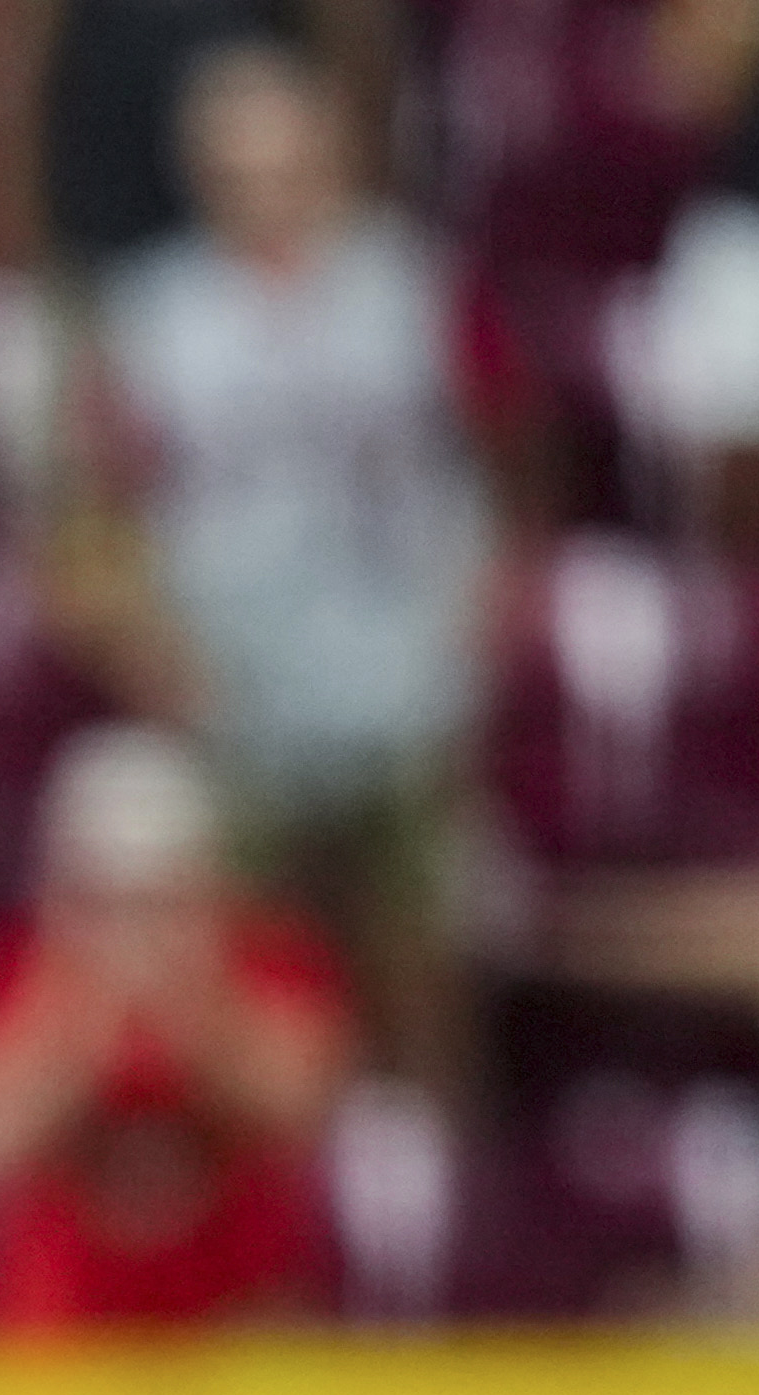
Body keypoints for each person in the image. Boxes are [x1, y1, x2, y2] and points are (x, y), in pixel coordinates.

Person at [79, 34, 487, 1104]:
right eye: (239, 177)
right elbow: (96, 513)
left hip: (403, 665)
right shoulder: (154, 314)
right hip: (232, 675)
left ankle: (437, 1189)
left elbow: (505, 464)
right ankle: (295, 1214)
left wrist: (482, 613)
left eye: (287, 171)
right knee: (259, 966)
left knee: (427, 946)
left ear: (335, 161)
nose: (267, 199)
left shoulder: (411, 288)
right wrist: (153, 650)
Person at [0, 725, 355, 1331]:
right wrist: (79, 1020)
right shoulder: (4, 971)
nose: (136, 931)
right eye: (106, 902)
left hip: (245, 1318)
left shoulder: (271, 962)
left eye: (163, 900)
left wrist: (201, 1011)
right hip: (54, 1328)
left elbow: (304, 1109)